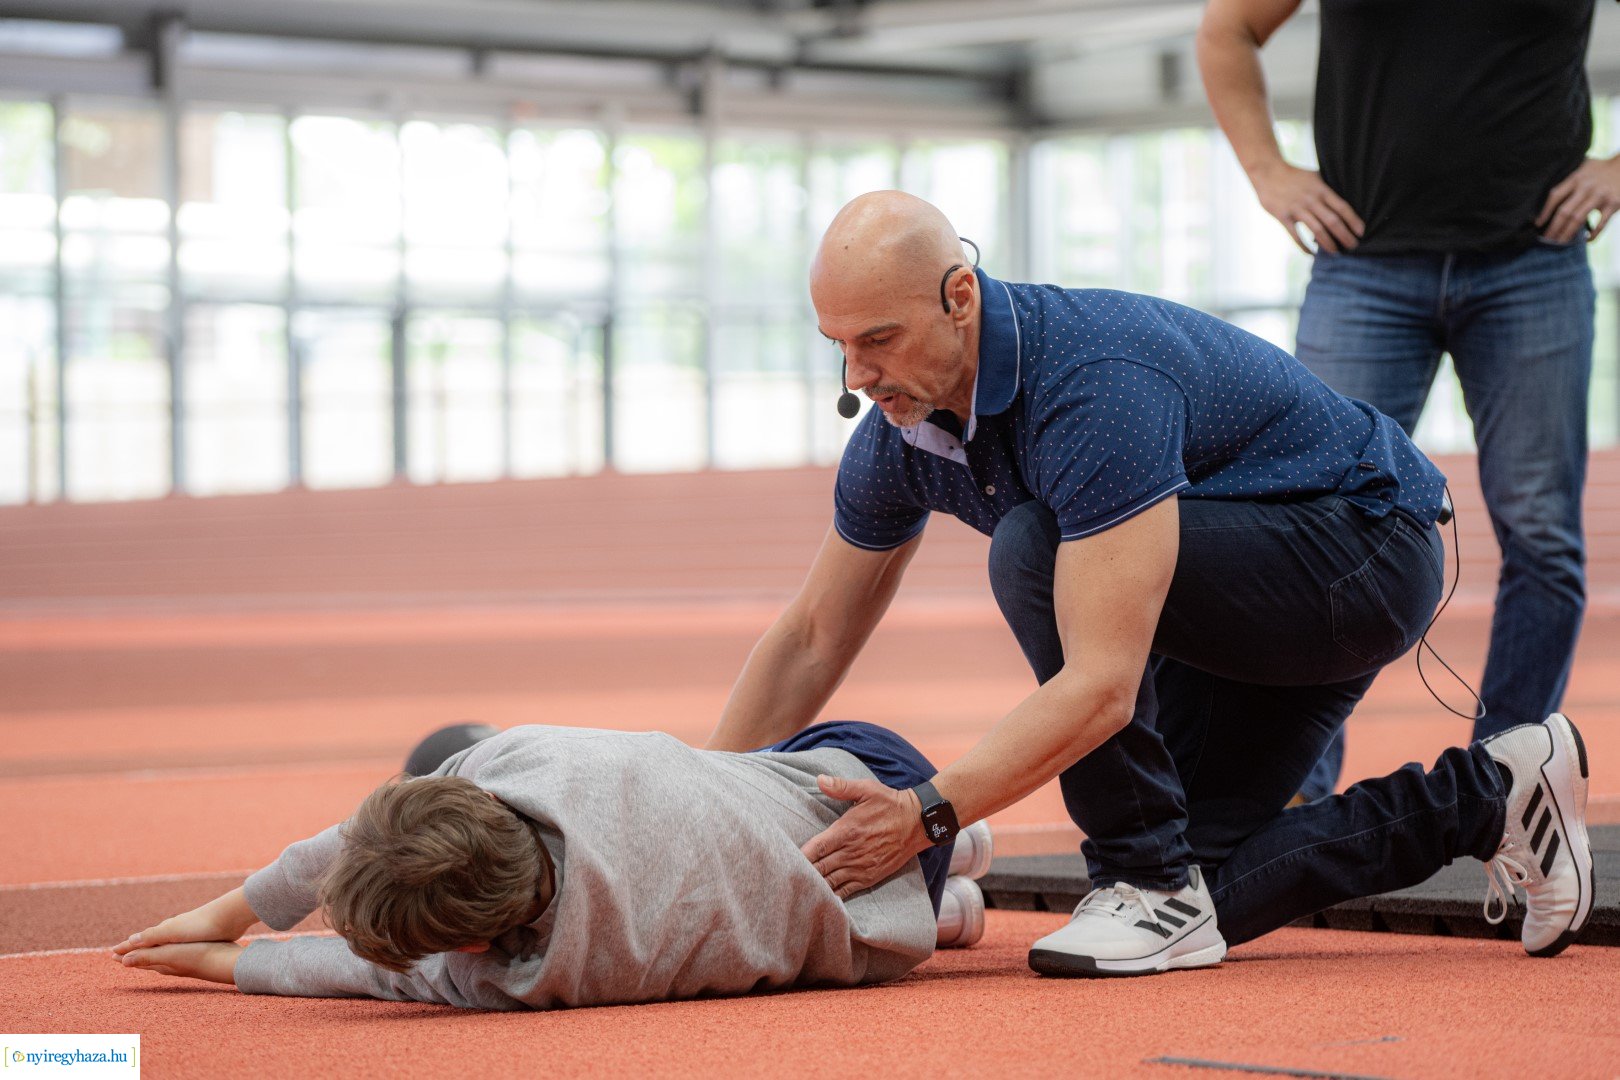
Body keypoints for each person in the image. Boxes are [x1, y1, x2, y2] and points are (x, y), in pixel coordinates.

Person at [705, 190, 1596, 976]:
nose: (858, 378)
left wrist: (926, 816)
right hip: (1226, 592)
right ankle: (1495, 792)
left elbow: (1104, 685)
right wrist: (703, 795)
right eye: (839, 346)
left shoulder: (1090, 385)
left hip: (1363, 556)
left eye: (878, 340)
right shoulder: (899, 433)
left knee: (1032, 546)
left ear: (960, 297)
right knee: (1207, 885)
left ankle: (1144, 878)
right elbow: (813, 636)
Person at [1197, 0, 1611, 801]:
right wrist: (1268, 172)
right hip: (1364, 267)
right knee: (1310, 526)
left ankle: (1502, 793)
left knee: (1541, 534)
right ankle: (1290, 796)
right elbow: (1227, 29)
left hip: (1534, 265)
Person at [110, 720, 994, 1009]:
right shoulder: (515, 757)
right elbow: (355, 833)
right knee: (735, 776)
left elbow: (359, 975)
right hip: (866, 776)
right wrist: (230, 911)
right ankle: (957, 840)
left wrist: (226, 963)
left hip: (883, 924)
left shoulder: (528, 975)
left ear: (469, 944)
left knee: (790, 907)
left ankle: (949, 903)